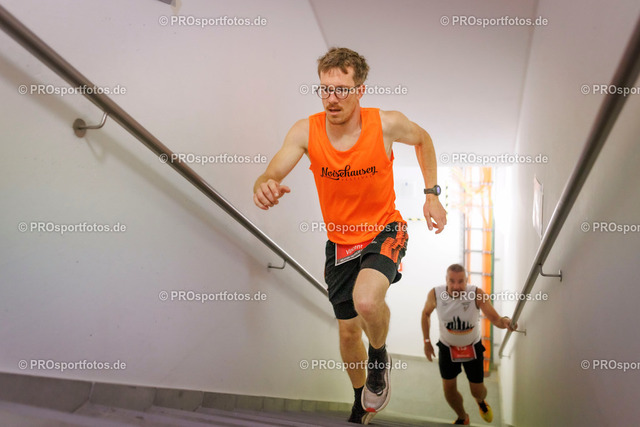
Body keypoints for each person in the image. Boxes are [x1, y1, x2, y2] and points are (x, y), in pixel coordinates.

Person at [253, 47, 447, 424]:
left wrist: (431, 194)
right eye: (325, 89)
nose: (332, 98)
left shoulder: (385, 124)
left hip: (385, 228)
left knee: (367, 303)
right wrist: (263, 184)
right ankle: (360, 399)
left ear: (360, 90)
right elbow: (270, 173)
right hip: (340, 243)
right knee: (346, 334)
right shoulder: (305, 131)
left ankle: (379, 356)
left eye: (341, 89)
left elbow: (423, 139)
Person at [421, 264, 517, 425]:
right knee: (449, 389)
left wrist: (506, 321)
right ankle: (462, 417)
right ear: (446, 280)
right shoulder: (436, 294)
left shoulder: (476, 294)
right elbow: (425, 314)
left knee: (477, 391)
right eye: (452, 281)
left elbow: (496, 319)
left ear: (467, 281)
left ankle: (480, 401)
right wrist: (426, 341)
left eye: (461, 281)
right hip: (447, 347)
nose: (456, 286)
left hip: (472, 347)